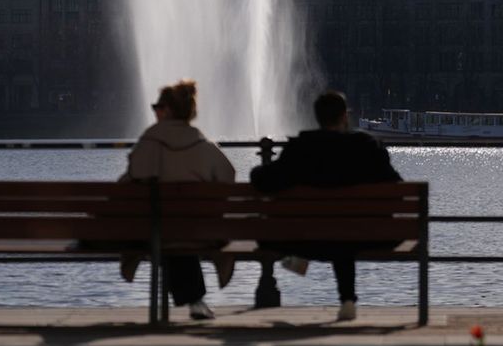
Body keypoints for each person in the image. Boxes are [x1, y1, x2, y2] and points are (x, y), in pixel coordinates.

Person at [250, 90, 402, 321]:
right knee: (343, 236)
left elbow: (264, 181)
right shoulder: (366, 147)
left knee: (269, 235)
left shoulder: (300, 148)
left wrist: (259, 170)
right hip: (363, 234)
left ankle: (297, 261)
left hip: (308, 239)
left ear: (317, 117)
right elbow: (397, 189)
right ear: (344, 116)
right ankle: (347, 300)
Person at [120, 79, 235, 320]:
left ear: (169, 110)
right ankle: (197, 298)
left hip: (151, 231)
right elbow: (228, 176)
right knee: (179, 228)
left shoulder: (150, 140)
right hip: (198, 232)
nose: (154, 111)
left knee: (165, 228)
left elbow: (130, 179)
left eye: (157, 107)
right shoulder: (203, 144)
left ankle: (133, 256)